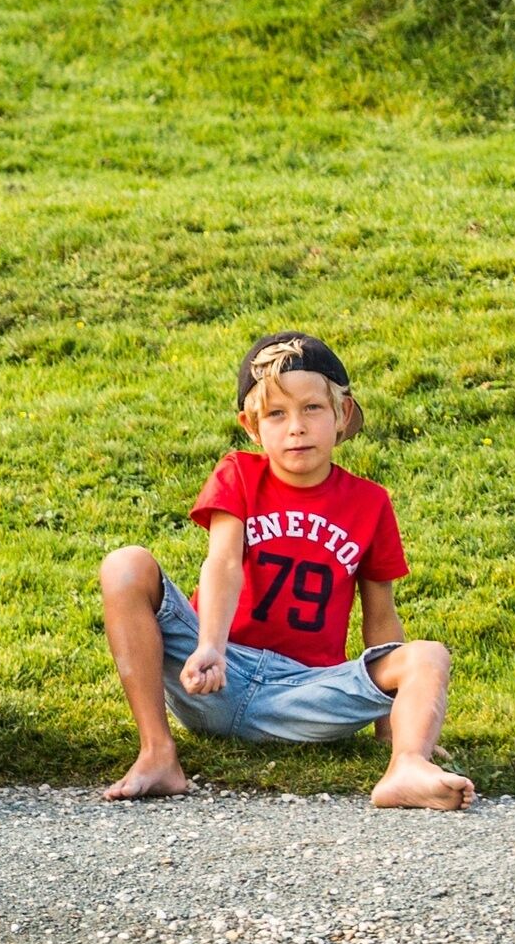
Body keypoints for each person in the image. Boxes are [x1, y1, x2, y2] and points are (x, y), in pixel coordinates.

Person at [95, 330, 471, 811]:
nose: (296, 427)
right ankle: (158, 754)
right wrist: (210, 644)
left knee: (428, 656)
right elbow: (224, 562)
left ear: (342, 416)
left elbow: (380, 617)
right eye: (276, 414)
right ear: (252, 428)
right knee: (127, 565)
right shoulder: (239, 474)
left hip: (307, 692)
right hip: (218, 671)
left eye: (312, 409)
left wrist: (388, 725)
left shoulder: (370, 503)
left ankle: (408, 766)